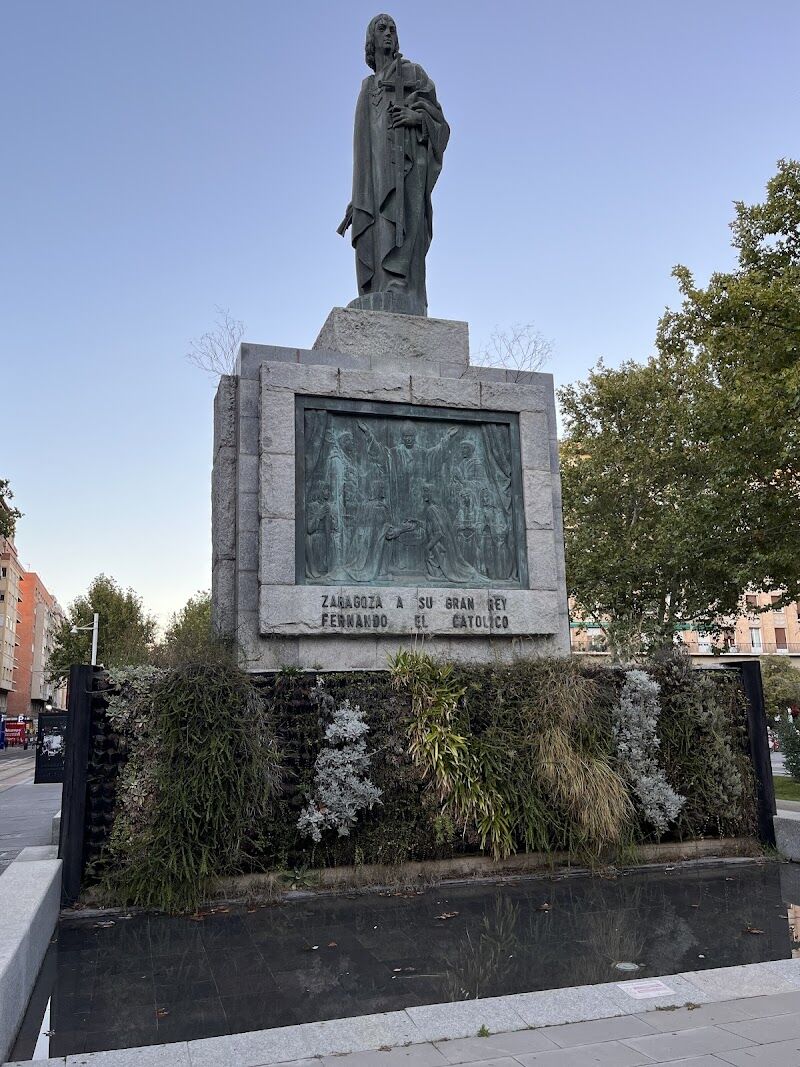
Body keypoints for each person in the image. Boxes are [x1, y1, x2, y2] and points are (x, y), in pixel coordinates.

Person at [338, 14, 449, 317]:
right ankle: (378, 286)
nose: (388, 33)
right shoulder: (367, 87)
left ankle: (399, 284)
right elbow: (360, 150)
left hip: (407, 162)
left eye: (392, 29)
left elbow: (440, 122)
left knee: (403, 217)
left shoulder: (413, 73)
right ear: (370, 40)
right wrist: (357, 195)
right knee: (374, 222)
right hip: (372, 176)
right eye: (381, 28)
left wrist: (418, 119)